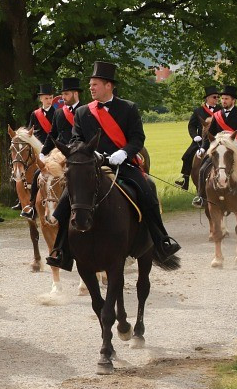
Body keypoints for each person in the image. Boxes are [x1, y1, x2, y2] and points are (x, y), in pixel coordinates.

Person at [46, 60, 181, 271]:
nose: (91, 88)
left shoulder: (128, 108)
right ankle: (60, 250)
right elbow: (75, 140)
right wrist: (90, 152)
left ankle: (161, 239)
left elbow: (137, 138)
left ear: (109, 85)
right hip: (92, 165)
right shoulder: (82, 112)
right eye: (90, 84)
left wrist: (124, 152)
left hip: (123, 164)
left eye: (95, 84)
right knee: (67, 200)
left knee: (148, 191)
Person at [192, 84, 237, 206]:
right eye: (222, 99)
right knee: (203, 168)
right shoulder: (217, 115)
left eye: (226, 99)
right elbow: (210, 134)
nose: (223, 101)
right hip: (220, 148)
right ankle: (200, 196)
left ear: (233, 100)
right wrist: (203, 147)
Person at [20, 83, 58, 219]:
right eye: (46, 98)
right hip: (39, 151)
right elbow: (31, 131)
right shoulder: (35, 114)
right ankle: (29, 204)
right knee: (26, 171)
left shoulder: (57, 113)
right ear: (41, 99)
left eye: (51, 98)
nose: (49, 100)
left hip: (54, 150)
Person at [176, 85, 220, 190]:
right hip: (201, 140)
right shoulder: (198, 111)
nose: (216, 99)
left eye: (217, 97)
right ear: (207, 98)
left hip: (217, 139)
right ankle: (185, 180)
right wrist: (195, 136)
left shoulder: (220, 110)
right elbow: (191, 125)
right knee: (187, 156)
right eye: (214, 97)